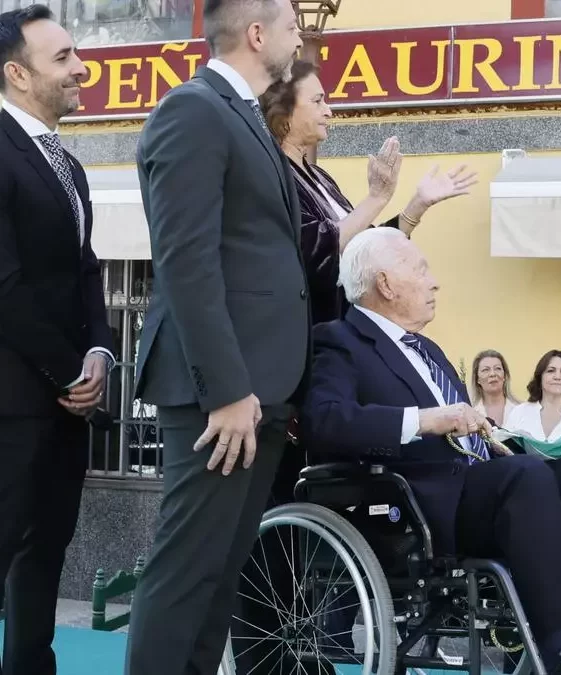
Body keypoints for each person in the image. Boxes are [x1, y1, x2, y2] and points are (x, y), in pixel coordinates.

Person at [302, 227, 561, 675]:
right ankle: (558, 647)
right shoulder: (341, 341)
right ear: (385, 284)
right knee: (524, 477)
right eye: (421, 271)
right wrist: (425, 419)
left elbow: (472, 434)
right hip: (417, 508)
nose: (434, 283)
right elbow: (324, 421)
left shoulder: (428, 350)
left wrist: (504, 439)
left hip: (480, 490)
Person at [123, 0, 308, 671]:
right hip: (220, 396)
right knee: (186, 578)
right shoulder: (194, 110)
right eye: (293, 26)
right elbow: (186, 261)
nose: (301, 38)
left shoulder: (243, 116)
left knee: (217, 582)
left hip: (258, 391)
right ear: (256, 34)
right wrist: (227, 390)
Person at [0, 7, 115, 673]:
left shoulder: (67, 164)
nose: (81, 68)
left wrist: (99, 351)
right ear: (18, 74)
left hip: (65, 408)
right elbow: (5, 287)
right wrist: (69, 370)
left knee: (44, 555)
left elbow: (86, 269)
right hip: (12, 404)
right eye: (64, 57)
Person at [260, 59, 478, 325]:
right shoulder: (272, 177)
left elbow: (366, 251)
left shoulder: (319, 177)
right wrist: (376, 198)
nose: (328, 111)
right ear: (284, 113)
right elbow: (312, 253)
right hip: (313, 334)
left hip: (346, 328)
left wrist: (418, 205)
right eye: (317, 101)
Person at [470, 349, 519, 427]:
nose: (492, 374)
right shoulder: (470, 413)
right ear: (477, 379)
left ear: (504, 376)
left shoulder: (520, 409)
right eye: (485, 370)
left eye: (497, 368)